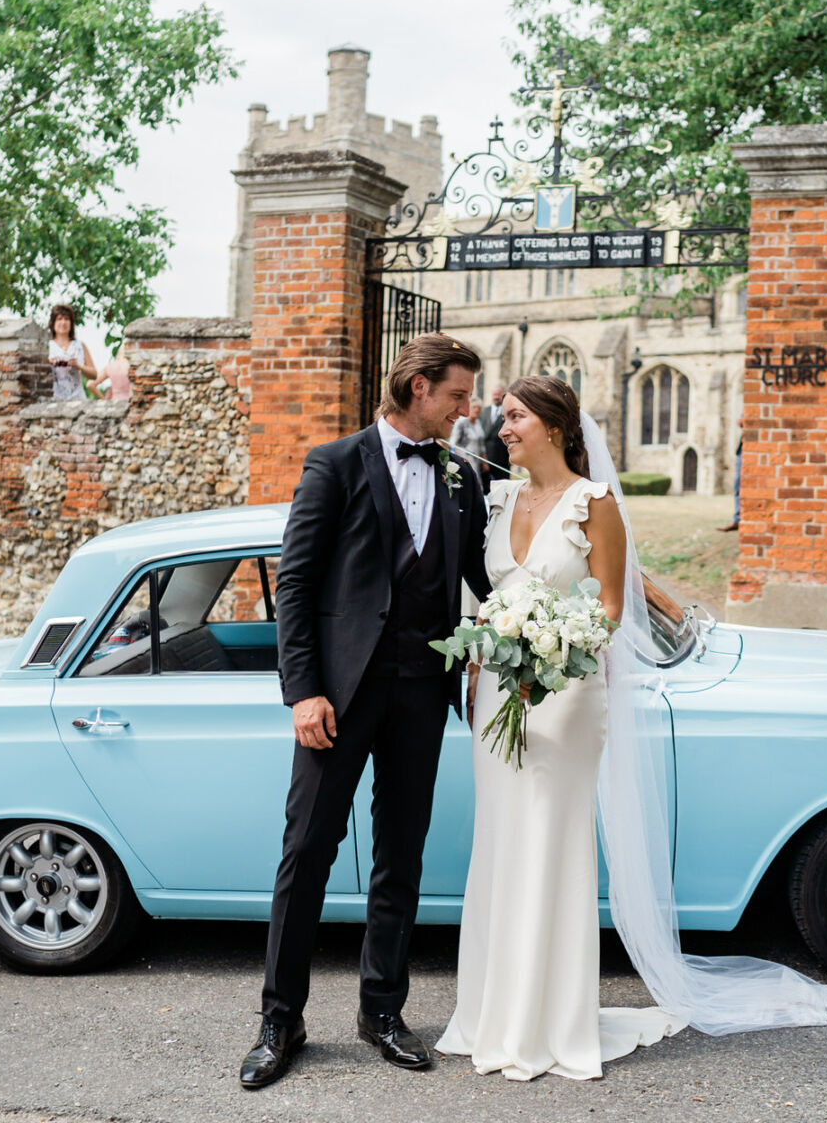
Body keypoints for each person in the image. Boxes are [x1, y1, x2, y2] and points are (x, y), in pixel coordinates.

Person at [437, 375, 827, 1082]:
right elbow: (490, 596)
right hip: (500, 693)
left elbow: (608, 607)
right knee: (501, 845)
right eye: (502, 418)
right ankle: (492, 1014)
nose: (500, 428)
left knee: (546, 844)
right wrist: (492, 641)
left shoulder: (594, 505)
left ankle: (548, 1023)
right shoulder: (499, 496)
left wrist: (555, 650)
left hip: (566, 695)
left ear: (556, 426)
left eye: (513, 418)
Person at [240, 333, 492, 1091]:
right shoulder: (335, 463)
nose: (466, 408)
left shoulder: (463, 477)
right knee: (306, 853)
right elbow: (296, 586)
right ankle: (280, 1020)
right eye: (456, 395)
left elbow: (487, 573)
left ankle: (383, 1011)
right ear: (418, 388)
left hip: (421, 691)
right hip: (337, 697)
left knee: (401, 855)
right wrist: (303, 691)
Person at [47, 304, 96, 400]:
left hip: (78, 399)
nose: (63, 322)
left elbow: (94, 375)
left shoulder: (80, 345)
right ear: (53, 323)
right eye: (59, 319)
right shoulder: (47, 346)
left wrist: (78, 366)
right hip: (54, 399)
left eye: (66, 319)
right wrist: (48, 363)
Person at [449, 400, 488, 486]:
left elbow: (481, 445)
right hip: (464, 459)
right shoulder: (461, 423)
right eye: (474, 407)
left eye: (479, 408)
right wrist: (458, 460)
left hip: (476, 461)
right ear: (469, 408)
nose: (477, 410)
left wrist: (484, 462)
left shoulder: (478, 423)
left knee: (477, 485)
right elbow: (453, 443)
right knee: (467, 483)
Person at [481, 384, 510, 477]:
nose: (496, 397)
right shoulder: (484, 411)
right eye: (494, 395)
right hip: (485, 459)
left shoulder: (508, 411)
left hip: (502, 458)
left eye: (499, 395)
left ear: (503, 396)